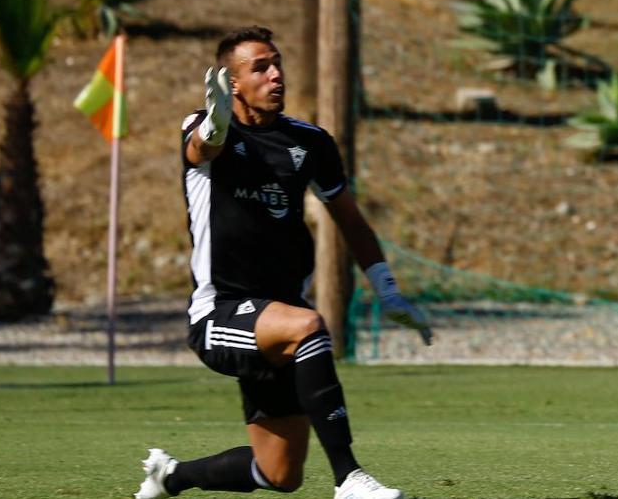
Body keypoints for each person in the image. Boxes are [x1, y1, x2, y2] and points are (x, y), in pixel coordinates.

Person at [134, 26, 432, 499]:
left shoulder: (310, 142)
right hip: (221, 314)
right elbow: (201, 147)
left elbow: (352, 222)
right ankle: (349, 478)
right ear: (232, 84)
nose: (276, 75)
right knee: (310, 325)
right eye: (260, 68)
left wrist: (389, 290)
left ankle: (170, 477)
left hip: (279, 318)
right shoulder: (204, 128)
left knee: (279, 474)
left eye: (277, 64)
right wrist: (216, 120)